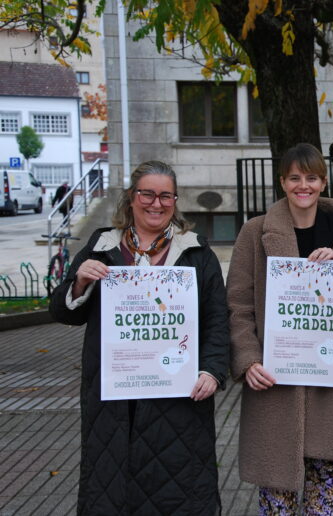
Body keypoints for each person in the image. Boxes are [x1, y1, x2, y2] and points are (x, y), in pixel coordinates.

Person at [49, 161, 230, 515]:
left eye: (166, 196)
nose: (156, 203)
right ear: (132, 197)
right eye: (147, 193)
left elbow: (217, 320)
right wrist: (81, 282)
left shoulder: (196, 253)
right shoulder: (102, 245)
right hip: (113, 401)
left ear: (175, 201)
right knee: (112, 491)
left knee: (178, 493)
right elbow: (64, 312)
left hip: (178, 398)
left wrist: (211, 370)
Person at [227, 143, 333, 514]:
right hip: (276, 383)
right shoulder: (255, 232)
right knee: (276, 497)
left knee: (323, 496)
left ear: (323, 182)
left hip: (329, 383)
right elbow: (238, 304)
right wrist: (248, 359)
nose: (303, 185)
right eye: (295, 178)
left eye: (311, 177)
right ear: (282, 182)